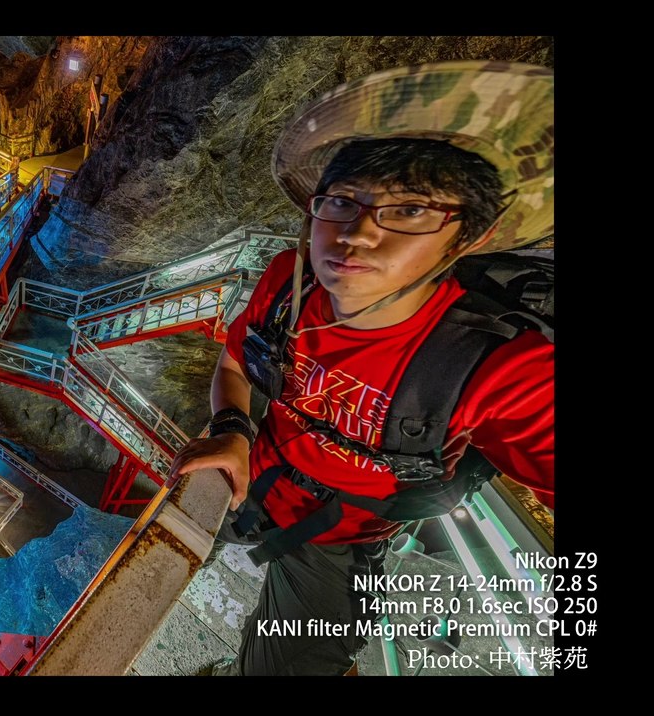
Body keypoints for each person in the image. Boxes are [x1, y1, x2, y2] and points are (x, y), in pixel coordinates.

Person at [169, 61, 554, 676]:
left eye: (408, 210)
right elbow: (236, 363)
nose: (358, 233)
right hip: (256, 486)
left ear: (466, 237)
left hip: (343, 542)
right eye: (342, 201)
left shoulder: (503, 368)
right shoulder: (285, 285)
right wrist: (232, 430)